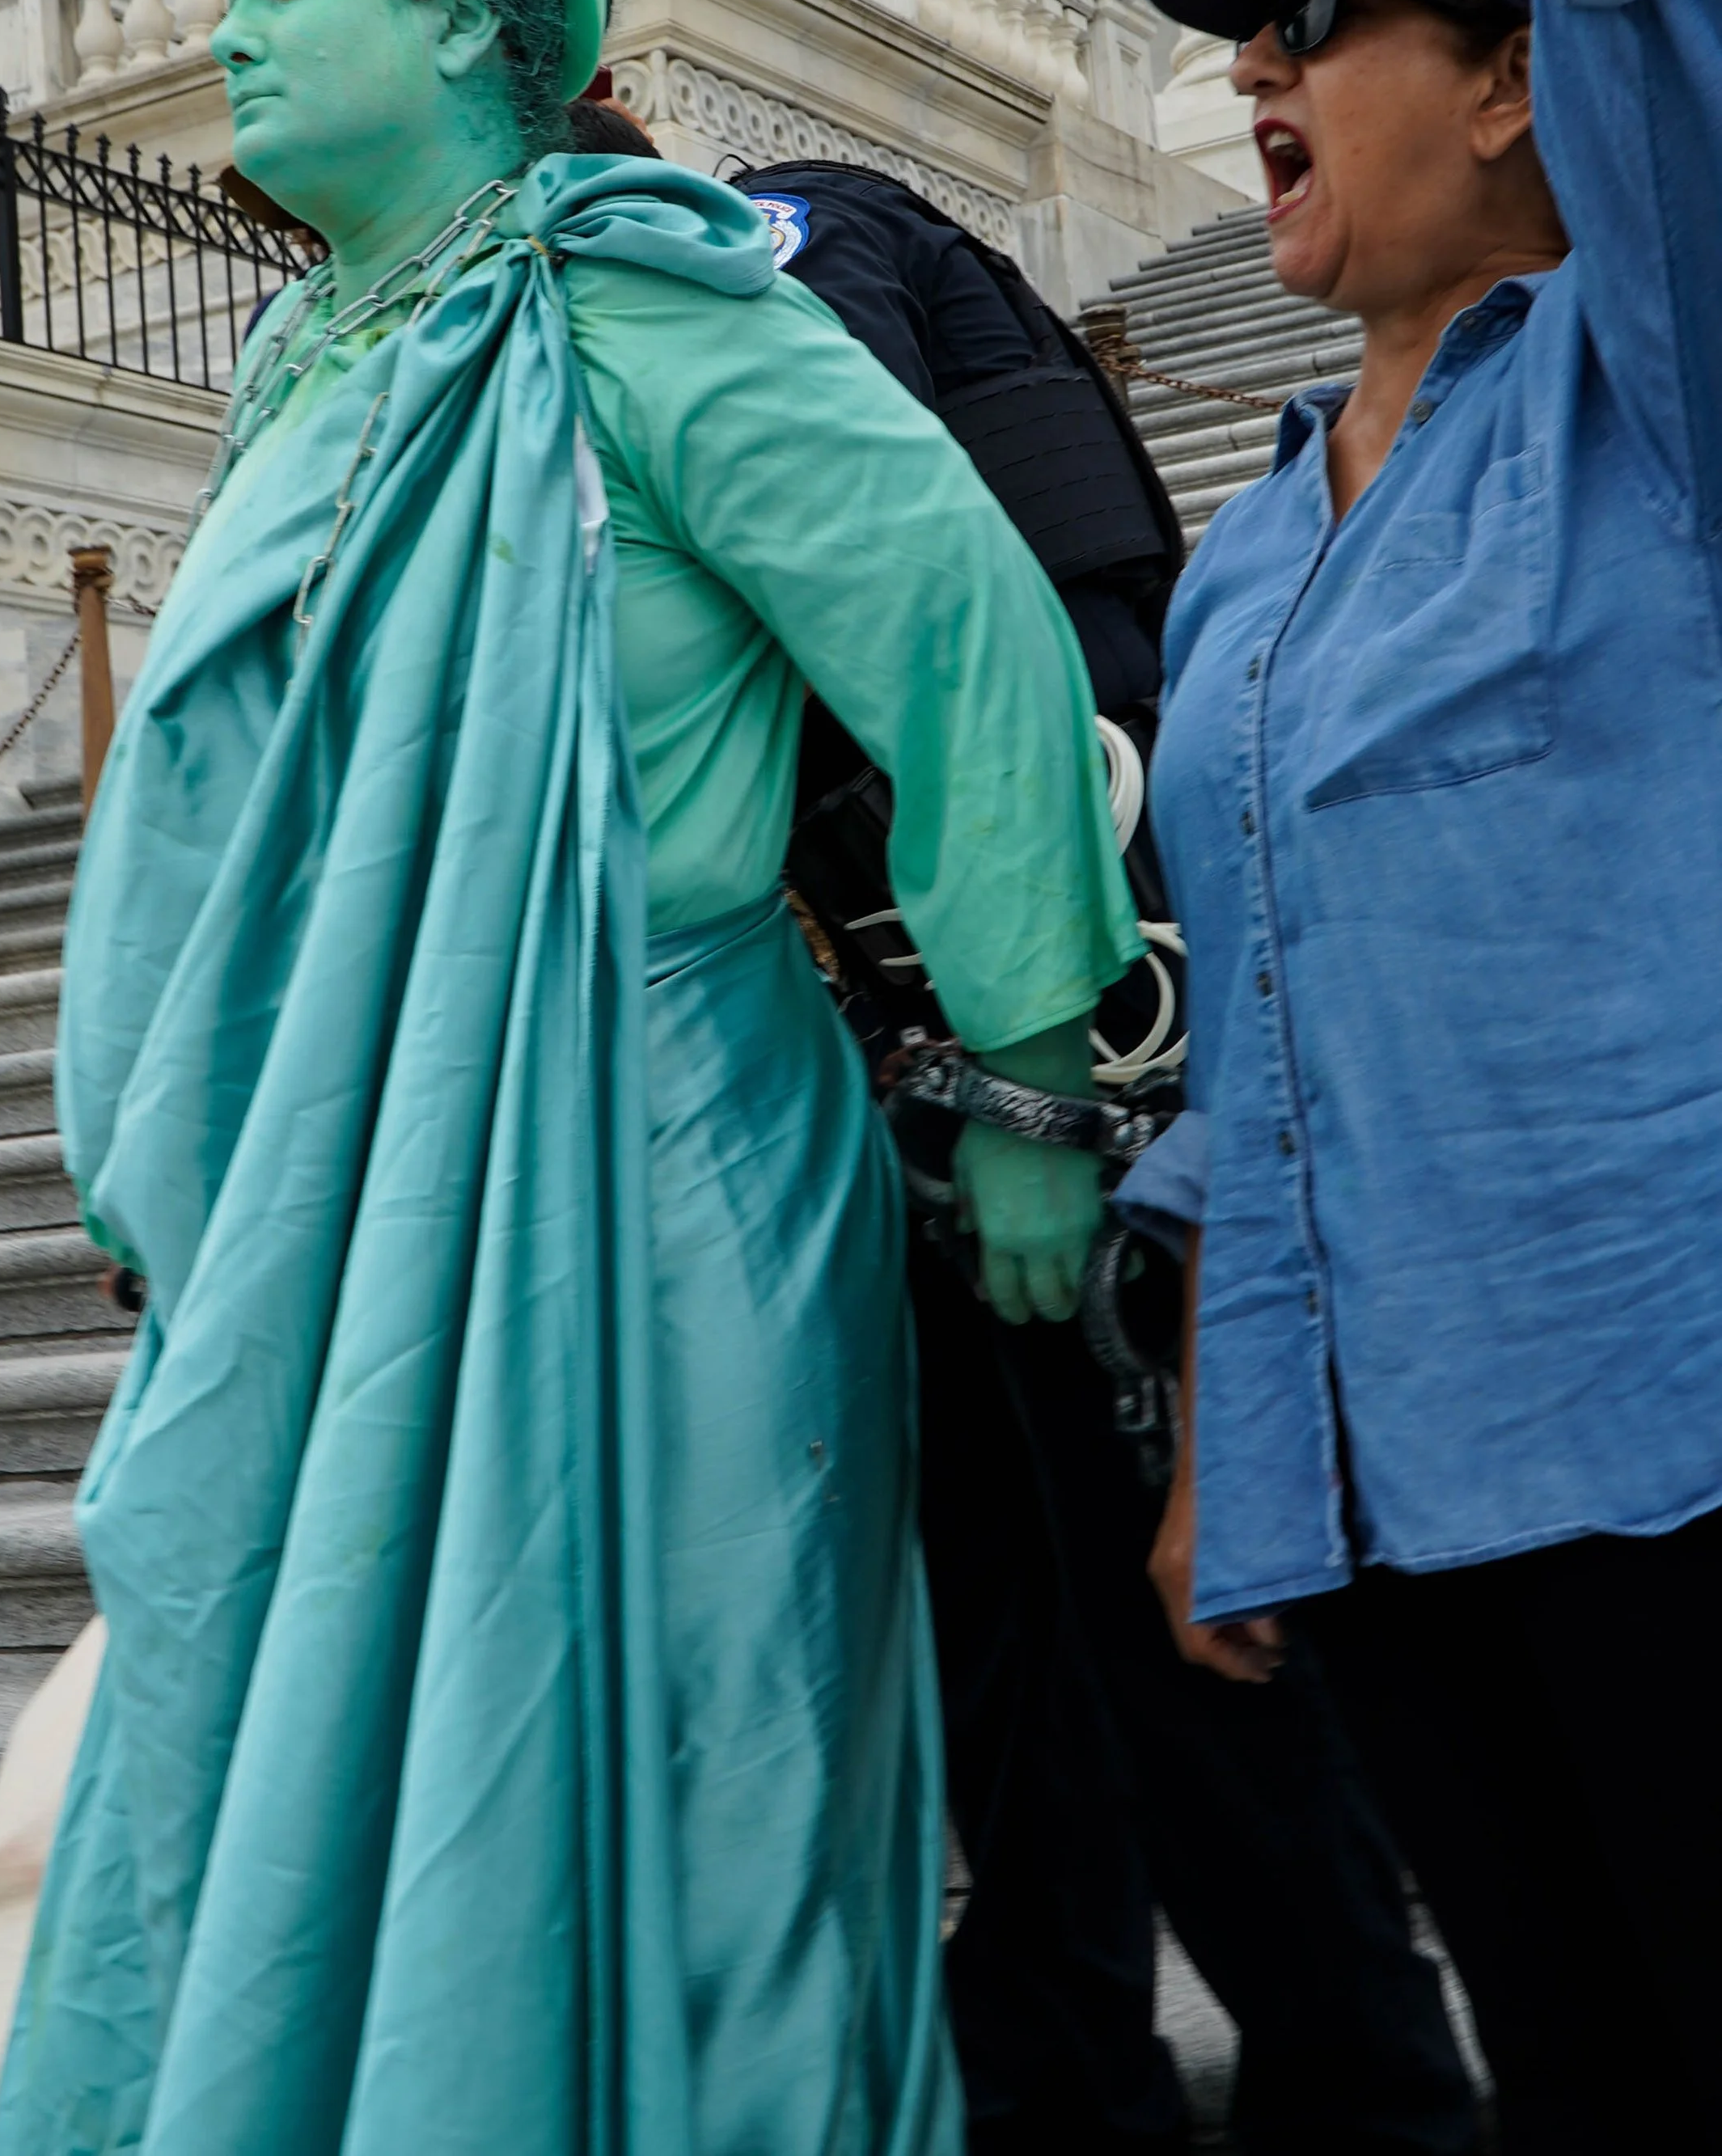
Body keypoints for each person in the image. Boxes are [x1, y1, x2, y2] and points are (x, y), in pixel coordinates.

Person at [0, 0, 1141, 2156]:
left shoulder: (657, 310)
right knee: (297, 1789)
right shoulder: (300, 367)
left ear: (473, 30)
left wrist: (1026, 1087)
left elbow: (976, 640)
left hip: (652, 1161)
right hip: (322, 1198)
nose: (230, 21)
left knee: (679, 1789)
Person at [1126, 0, 1722, 2154]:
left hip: (1669, 1440)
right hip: (1379, 1487)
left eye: (1327, 10)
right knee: (1568, 2090)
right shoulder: (1242, 559)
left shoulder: (1663, 386)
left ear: (1503, 81)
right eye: (1251, 21)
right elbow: (1254, 1034)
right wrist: (1236, 1431)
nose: (1259, 57)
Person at [745, 160, 1474, 2156]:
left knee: (1164, 1609)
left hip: (1061, 992)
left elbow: (891, 604)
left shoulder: (769, 236)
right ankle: (1072, 2067)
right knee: (998, 1599)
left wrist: (1024, 1070)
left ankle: (1364, 2086)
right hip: (933, 1004)